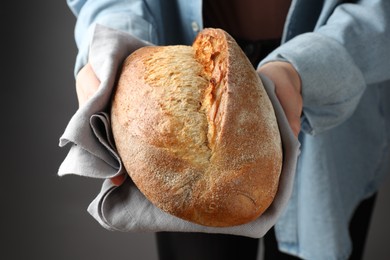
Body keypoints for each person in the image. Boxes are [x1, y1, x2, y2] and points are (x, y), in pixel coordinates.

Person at [67, 0, 390, 259]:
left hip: (333, 85)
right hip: (173, 91)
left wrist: (307, 67)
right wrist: (116, 51)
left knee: (320, 233)